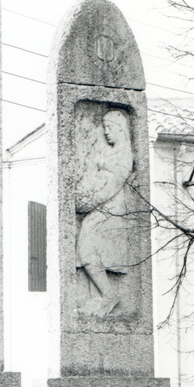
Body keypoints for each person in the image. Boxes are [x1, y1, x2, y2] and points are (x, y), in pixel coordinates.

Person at [75, 108, 133, 316]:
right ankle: (100, 297)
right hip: (99, 206)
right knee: (88, 250)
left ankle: (108, 295)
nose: (106, 132)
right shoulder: (107, 152)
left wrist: (89, 202)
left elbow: (114, 185)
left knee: (88, 250)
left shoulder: (125, 154)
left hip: (111, 210)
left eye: (110, 127)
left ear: (120, 129)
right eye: (105, 127)